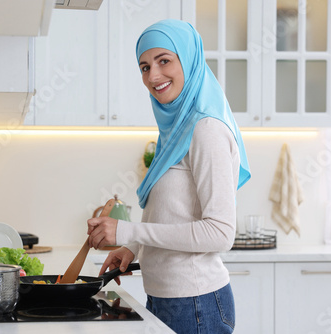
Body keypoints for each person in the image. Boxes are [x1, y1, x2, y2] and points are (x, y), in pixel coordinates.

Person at [87, 19, 251, 334]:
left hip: (196, 304)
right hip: (170, 299)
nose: (154, 75)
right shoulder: (177, 129)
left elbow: (220, 233)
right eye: (145, 67)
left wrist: (127, 231)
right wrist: (132, 246)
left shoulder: (206, 130)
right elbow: (171, 212)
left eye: (165, 61)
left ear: (188, 59)